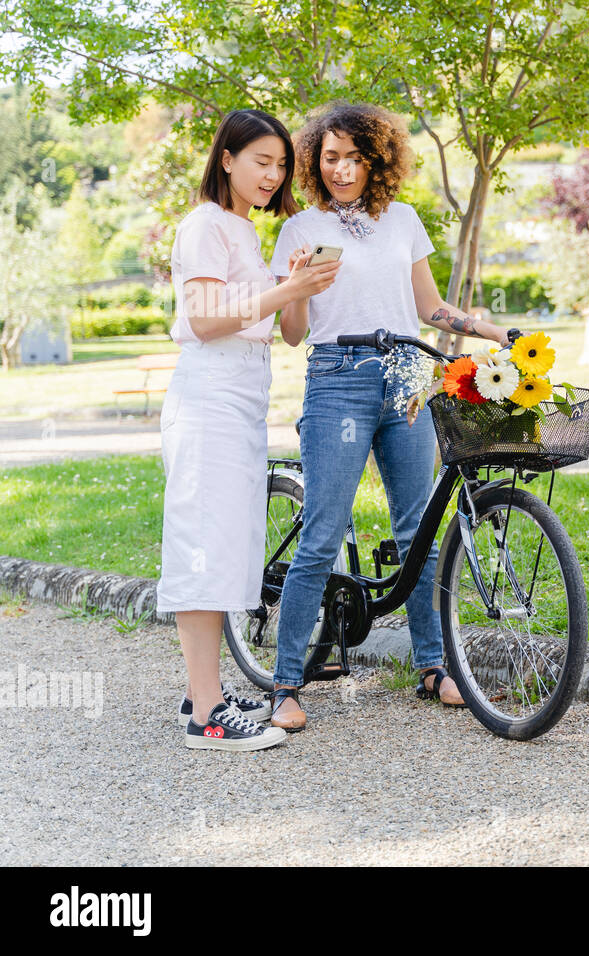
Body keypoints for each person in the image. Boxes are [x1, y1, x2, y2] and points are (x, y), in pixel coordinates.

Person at [267, 101, 513, 732]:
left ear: (376, 160)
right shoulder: (299, 229)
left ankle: (434, 666)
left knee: (419, 531)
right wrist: (297, 287)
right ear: (313, 162)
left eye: (354, 157)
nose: (342, 170)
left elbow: (430, 308)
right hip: (338, 379)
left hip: (407, 376)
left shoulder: (402, 220)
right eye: (330, 158)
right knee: (323, 532)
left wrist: (495, 331)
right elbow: (293, 334)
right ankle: (286, 682)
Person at [158, 109, 341, 750]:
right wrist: (282, 285)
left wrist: (296, 286)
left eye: (282, 165)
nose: (273, 175)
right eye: (261, 161)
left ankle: (204, 693)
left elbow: (291, 334)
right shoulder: (205, 224)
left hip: (240, 406)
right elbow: (207, 318)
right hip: (208, 401)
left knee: (228, 546)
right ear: (227, 158)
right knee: (203, 547)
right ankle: (207, 713)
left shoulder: (242, 232)